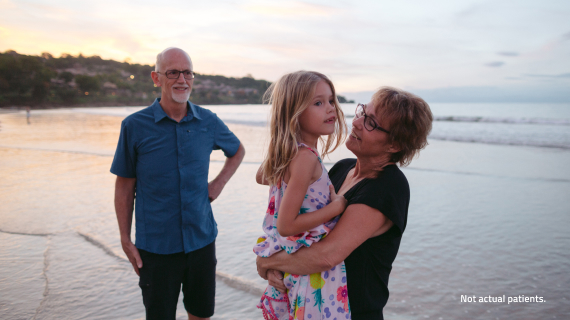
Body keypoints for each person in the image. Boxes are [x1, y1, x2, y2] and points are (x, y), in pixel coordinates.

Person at [257, 87, 433, 320]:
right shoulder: (343, 168)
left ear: (394, 145)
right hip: (307, 304)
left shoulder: (387, 187)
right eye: (362, 113)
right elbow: (304, 228)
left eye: (371, 123)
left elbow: (326, 255)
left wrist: (267, 261)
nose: (357, 123)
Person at [111, 47, 245, 320]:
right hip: (156, 247)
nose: (182, 79)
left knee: (200, 315)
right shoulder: (134, 126)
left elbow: (237, 150)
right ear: (156, 78)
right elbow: (124, 186)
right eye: (173, 72)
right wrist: (125, 238)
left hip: (201, 240)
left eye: (187, 73)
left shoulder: (208, 121)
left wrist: (217, 184)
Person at [253, 71, 349, 320]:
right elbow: (287, 225)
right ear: (293, 113)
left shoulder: (291, 155)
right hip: (310, 274)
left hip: (296, 263)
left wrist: (284, 145)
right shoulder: (306, 158)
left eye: (330, 100)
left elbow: (262, 176)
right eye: (318, 103)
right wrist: (336, 207)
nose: (330, 109)